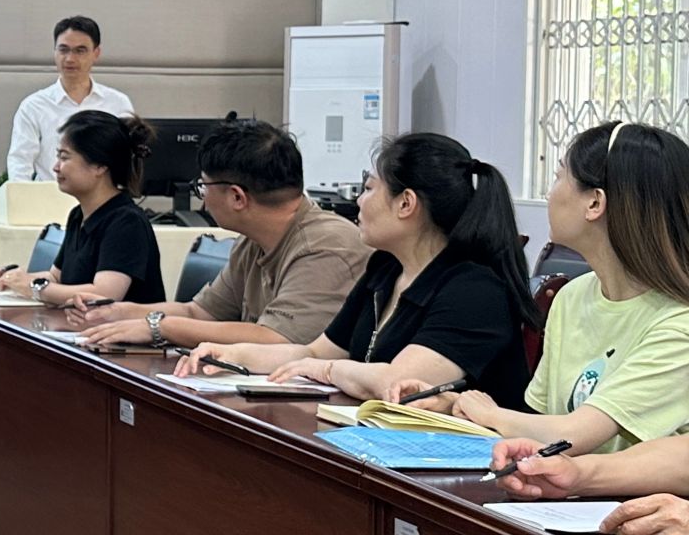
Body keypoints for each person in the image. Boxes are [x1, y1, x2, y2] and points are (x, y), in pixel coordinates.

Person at [174, 133, 536, 405]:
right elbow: (315, 352)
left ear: (406, 204)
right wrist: (233, 355)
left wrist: (327, 371)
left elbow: (399, 384)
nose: (359, 201)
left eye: (368, 188)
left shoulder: (474, 291)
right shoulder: (386, 269)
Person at [417, 123, 689, 471]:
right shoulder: (571, 296)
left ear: (595, 202)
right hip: (560, 491)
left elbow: (573, 434)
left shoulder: (678, 322)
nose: (549, 194)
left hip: (630, 501)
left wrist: (490, 414)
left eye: (559, 177)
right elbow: (542, 425)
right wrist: (455, 408)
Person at [75, 119, 368, 351]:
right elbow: (199, 313)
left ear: (237, 197)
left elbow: (276, 339)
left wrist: (158, 327)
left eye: (203, 186)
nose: (202, 198)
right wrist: (120, 312)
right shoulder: (252, 241)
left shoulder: (326, 246)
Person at [0, 112, 164, 306]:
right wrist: (15, 279)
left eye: (64, 157)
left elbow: (104, 294)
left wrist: (35, 288)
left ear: (99, 166)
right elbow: (56, 277)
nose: (56, 167)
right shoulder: (78, 215)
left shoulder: (126, 222)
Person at [6, 17, 135, 183]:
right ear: (54, 52)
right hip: (51, 195)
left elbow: (128, 159)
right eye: (63, 50)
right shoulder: (34, 106)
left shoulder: (117, 103)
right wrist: (23, 197)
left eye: (80, 51)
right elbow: (20, 162)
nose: (70, 59)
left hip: (103, 197)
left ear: (96, 53)